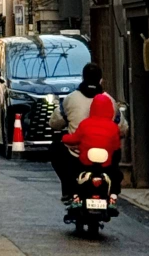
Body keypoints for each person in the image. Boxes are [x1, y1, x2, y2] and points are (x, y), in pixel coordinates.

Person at [49, 63, 126, 202]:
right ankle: (113, 192)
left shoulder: (70, 99)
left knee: (55, 149)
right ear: (101, 80)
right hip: (106, 156)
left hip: (77, 155)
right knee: (115, 156)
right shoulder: (110, 101)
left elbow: (55, 122)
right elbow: (122, 129)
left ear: (83, 78)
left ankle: (68, 189)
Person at [62, 93, 122, 207]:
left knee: (73, 172)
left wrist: (64, 137)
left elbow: (74, 139)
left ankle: (75, 196)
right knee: (116, 174)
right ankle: (113, 196)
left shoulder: (85, 124)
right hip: (106, 164)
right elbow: (116, 146)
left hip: (86, 162)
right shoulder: (113, 127)